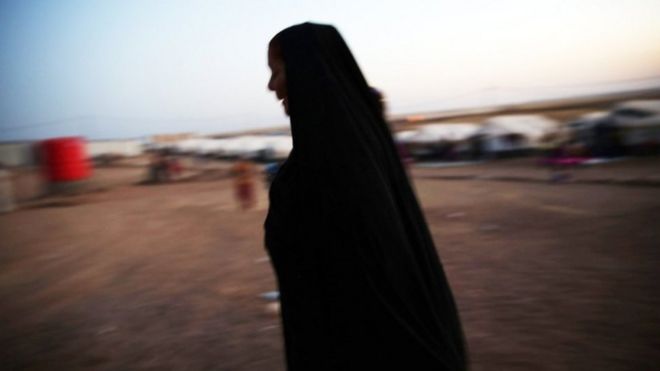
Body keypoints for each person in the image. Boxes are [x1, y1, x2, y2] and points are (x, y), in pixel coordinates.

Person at [264, 23, 467, 370]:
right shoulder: (363, 148)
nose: (271, 85)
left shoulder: (334, 162)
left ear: (307, 70)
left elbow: (367, 274)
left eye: (277, 71)